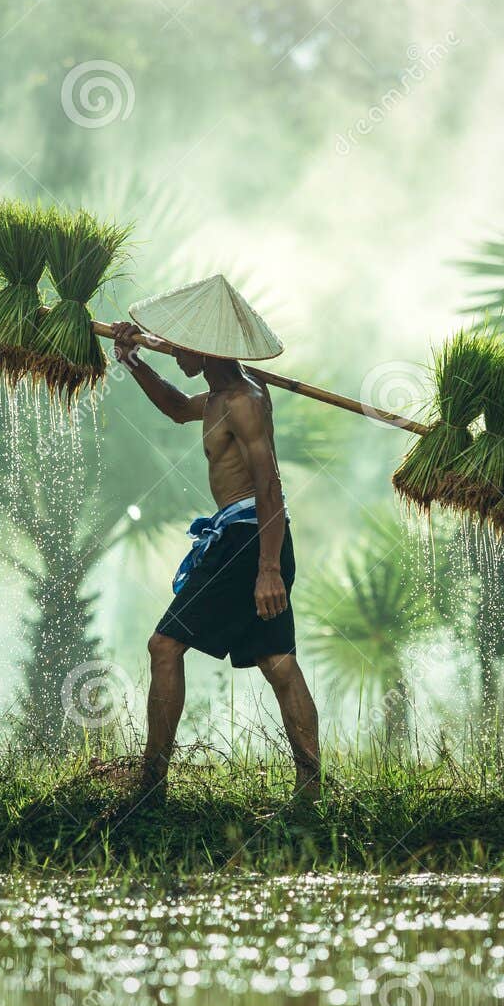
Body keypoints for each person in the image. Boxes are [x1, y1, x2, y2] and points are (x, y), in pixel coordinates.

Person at [108, 274, 320, 805]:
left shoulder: (245, 400)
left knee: (164, 646)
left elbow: (269, 485)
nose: (175, 348)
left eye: (184, 342)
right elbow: (179, 408)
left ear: (208, 348)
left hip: (250, 538)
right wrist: (134, 361)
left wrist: (268, 568)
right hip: (248, 535)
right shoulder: (222, 394)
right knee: (278, 663)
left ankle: (150, 787)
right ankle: (311, 790)